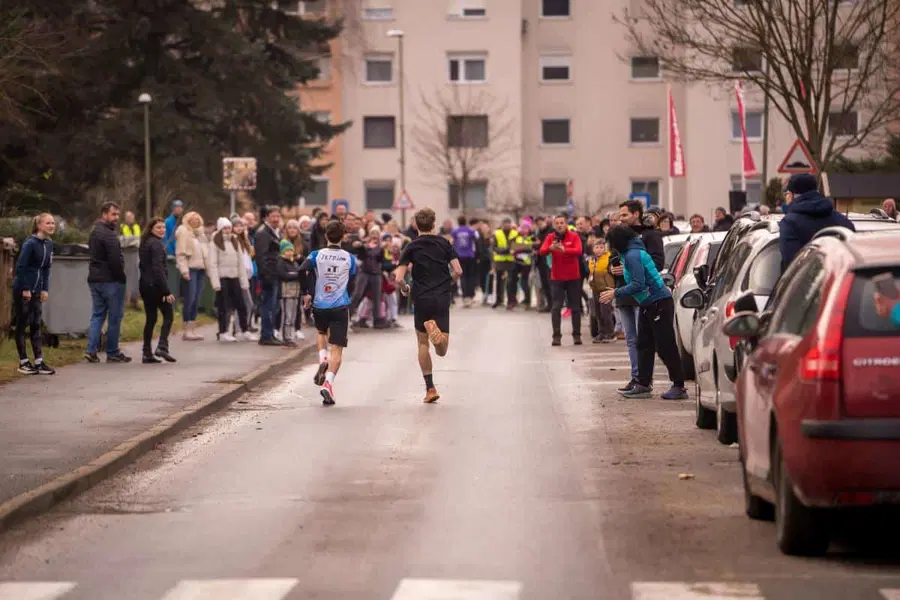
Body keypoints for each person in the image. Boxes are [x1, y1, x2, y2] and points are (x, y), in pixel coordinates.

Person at [600, 226, 687, 400]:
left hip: (659, 303)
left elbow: (638, 284)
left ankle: (679, 386)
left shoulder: (632, 256)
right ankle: (643, 384)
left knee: (665, 346)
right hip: (648, 304)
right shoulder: (631, 254)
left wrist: (615, 293)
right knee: (643, 344)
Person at [392, 208, 463, 404]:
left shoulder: (411, 247)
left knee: (422, 343)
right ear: (433, 224)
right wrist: (449, 283)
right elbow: (458, 270)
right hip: (441, 296)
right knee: (442, 350)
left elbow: (398, 277)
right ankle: (436, 333)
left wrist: (405, 288)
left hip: (420, 297)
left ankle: (430, 388)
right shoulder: (444, 243)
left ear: (415, 225)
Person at [300, 221, 357, 406]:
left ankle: (322, 357)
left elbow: (302, 269)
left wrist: (306, 293)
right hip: (340, 306)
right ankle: (328, 384)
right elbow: (353, 281)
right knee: (337, 348)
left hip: (320, 304)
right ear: (343, 236)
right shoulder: (349, 258)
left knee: (321, 332)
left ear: (326, 236)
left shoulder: (316, 255)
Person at [85, 202, 131, 363]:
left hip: (94, 278)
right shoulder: (109, 234)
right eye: (113, 214)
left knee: (97, 315)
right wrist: (122, 278)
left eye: (118, 215)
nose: (116, 218)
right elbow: (115, 261)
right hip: (110, 280)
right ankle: (112, 352)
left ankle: (91, 350)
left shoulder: (94, 231)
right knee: (114, 317)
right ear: (104, 214)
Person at [779, 173, 854, 270]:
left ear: (792, 195)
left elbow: (791, 265)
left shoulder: (789, 223)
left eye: (787, 194)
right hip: (841, 280)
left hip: (808, 283)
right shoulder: (843, 220)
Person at [13, 213, 56, 374]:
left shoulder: (49, 244)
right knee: (22, 324)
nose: (51, 225)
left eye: (53, 223)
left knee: (36, 324)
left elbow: (46, 269)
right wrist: (25, 288)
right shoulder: (30, 243)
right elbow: (21, 267)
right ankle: (23, 361)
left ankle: (39, 361)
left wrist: (45, 289)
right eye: (48, 223)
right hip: (24, 289)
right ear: (39, 225)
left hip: (37, 290)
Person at [539, 214, 584, 346]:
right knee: (556, 307)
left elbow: (578, 250)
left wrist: (565, 250)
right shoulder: (550, 237)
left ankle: (577, 335)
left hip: (573, 277)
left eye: (562, 223)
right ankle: (556, 336)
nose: (559, 225)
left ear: (566, 224)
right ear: (554, 225)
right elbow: (541, 251)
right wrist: (550, 248)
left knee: (575, 307)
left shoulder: (574, 236)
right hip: (557, 277)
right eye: (557, 223)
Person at [138, 218, 177, 364]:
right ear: (151, 229)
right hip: (156, 287)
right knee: (168, 315)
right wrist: (166, 291)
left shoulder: (145, 243)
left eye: (163, 227)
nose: (162, 230)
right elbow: (158, 269)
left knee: (151, 319)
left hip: (145, 286)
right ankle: (162, 346)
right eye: (158, 227)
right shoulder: (156, 245)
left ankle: (146, 353)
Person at [208, 217, 252, 342]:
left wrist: (244, 281)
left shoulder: (235, 241)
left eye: (229, 228)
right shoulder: (215, 243)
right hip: (223, 278)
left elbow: (240, 264)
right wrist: (216, 283)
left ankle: (244, 330)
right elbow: (213, 264)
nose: (227, 230)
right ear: (220, 228)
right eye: (225, 228)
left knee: (241, 305)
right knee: (224, 306)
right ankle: (223, 331)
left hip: (235, 277)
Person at [175, 211, 209, 341]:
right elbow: (181, 253)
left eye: (197, 219)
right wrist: (184, 270)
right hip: (190, 269)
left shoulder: (200, 234)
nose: (196, 221)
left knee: (197, 299)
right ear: (188, 220)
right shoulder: (184, 232)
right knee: (190, 298)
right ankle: (187, 329)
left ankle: (193, 328)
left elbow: (206, 252)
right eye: (193, 219)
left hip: (201, 269)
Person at [255, 206, 283, 345]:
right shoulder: (263, 233)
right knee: (267, 307)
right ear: (267, 217)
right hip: (268, 276)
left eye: (278, 216)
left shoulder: (274, 232)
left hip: (275, 274)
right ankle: (266, 335)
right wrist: (266, 275)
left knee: (273, 307)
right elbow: (261, 256)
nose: (276, 219)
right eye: (273, 216)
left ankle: (270, 334)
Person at [350, 226, 389, 328]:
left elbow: (382, 261)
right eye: (373, 233)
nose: (374, 236)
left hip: (376, 273)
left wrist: (382, 249)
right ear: (369, 235)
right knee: (357, 294)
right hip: (364, 272)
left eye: (376, 233)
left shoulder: (381, 248)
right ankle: (347, 315)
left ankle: (377, 320)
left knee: (377, 297)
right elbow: (361, 256)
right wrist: (361, 247)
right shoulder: (364, 245)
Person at [588, 239, 616, 344]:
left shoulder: (609, 258)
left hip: (606, 289)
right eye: (597, 247)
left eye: (601, 247)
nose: (599, 250)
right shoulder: (592, 260)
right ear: (593, 249)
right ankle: (602, 332)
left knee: (606, 312)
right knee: (598, 312)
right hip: (596, 289)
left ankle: (610, 333)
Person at [277, 239, 302, 347]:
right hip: (286, 293)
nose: (289, 253)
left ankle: (290, 336)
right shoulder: (281, 262)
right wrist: (296, 275)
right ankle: (286, 337)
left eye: (291, 250)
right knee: (287, 316)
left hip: (295, 293)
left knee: (293, 317)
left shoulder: (294, 262)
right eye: (287, 250)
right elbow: (283, 275)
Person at [451, 215, 478, 307]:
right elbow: (476, 241)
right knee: (470, 276)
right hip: (470, 256)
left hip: (459, 256)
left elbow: (452, 242)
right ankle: (470, 295)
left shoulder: (455, 231)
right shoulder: (471, 231)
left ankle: (465, 296)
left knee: (462, 277)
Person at [491, 218, 518, 309]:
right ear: (502, 224)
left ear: (510, 224)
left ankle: (511, 301)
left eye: (508, 223)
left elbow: (517, 245)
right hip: (500, 261)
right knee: (499, 282)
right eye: (505, 223)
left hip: (511, 261)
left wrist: (512, 250)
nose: (507, 225)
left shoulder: (515, 233)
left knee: (511, 282)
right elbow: (494, 248)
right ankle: (499, 300)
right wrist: (506, 250)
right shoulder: (497, 233)